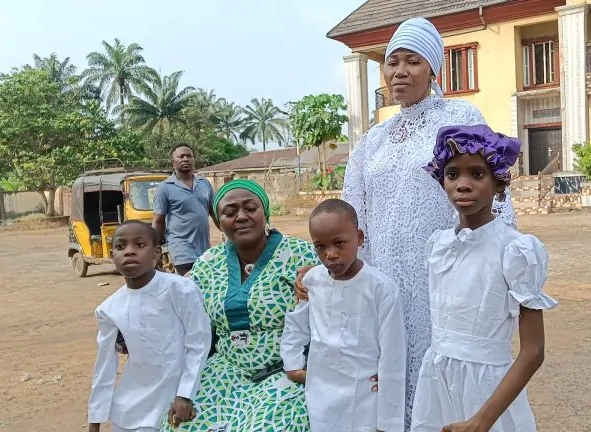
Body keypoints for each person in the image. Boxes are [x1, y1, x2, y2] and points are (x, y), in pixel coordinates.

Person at [296, 17, 517, 427]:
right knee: (385, 373)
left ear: (433, 70)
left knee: (438, 372)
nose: (399, 71)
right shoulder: (374, 138)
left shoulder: (459, 116)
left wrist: (497, 261)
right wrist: (331, 267)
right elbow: (351, 212)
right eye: (392, 61)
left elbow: (488, 188)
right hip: (381, 277)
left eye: (412, 61)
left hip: (440, 275)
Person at [410, 125, 557, 432]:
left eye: (477, 174)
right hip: (437, 385)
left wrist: (482, 421)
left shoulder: (514, 251)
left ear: (498, 182)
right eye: (452, 174)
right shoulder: (438, 246)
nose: (463, 185)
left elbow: (533, 352)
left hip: (489, 394)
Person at [160, 179, 319, 432]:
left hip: (285, 372)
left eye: (250, 208)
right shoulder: (207, 264)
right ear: (218, 222)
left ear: (265, 212)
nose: (241, 216)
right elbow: (178, 311)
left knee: (268, 427)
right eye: (230, 212)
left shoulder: (301, 255)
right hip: (224, 373)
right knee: (181, 425)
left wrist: (321, 280)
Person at [281, 199, 407, 432]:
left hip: (364, 397)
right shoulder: (312, 281)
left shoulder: (381, 289)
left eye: (339, 243)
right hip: (321, 394)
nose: (330, 254)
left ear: (359, 238)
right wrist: (292, 364)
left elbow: (393, 355)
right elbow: (296, 325)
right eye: (320, 246)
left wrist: (388, 423)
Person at [88, 221, 212, 432]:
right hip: (131, 408)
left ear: (156, 253)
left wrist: (185, 394)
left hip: (179, 398)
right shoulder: (109, 308)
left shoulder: (181, 289)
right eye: (120, 246)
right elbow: (104, 366)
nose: (129, 252)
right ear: (112, 255)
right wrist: (95, 421)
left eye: (139, 245)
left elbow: (198, 342)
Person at [153, 144, 216, 276]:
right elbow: (158, 221)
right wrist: (154, 251)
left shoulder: (204, 183)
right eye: (181, 156)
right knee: (189, 283)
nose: (185, 159)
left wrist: (229, 234)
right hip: (181, 248)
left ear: (194, 159)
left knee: (205, 283)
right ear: (173, 162)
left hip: (204, 249)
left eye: (189, 156)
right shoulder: (164, 188)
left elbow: (215, 212)